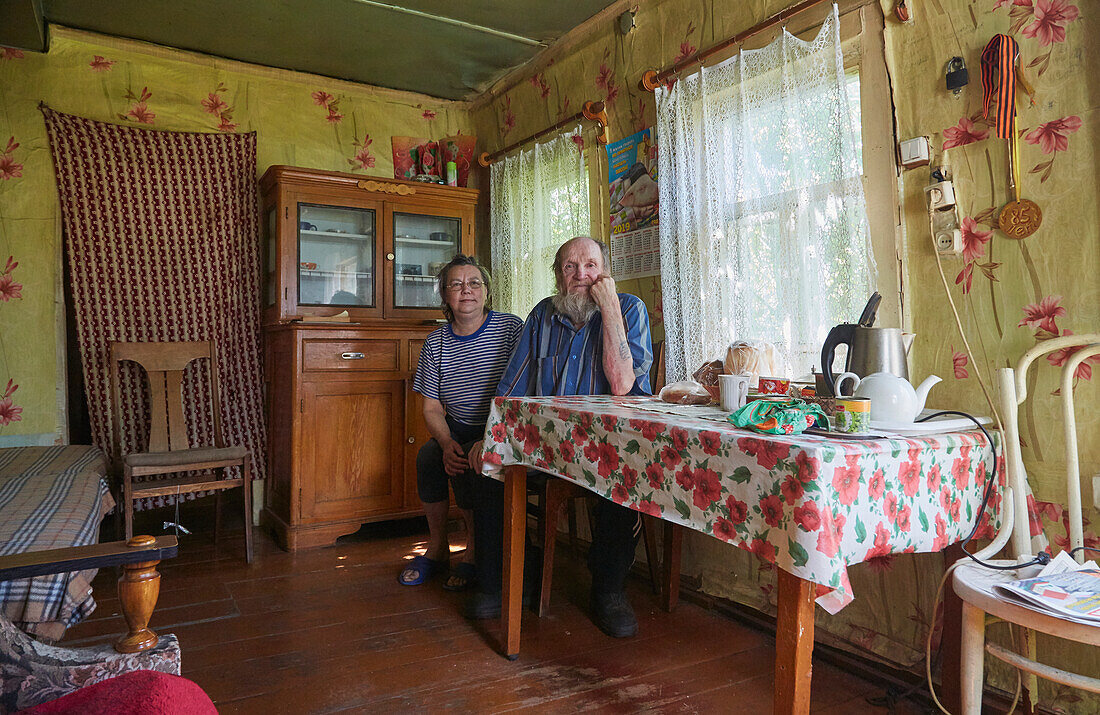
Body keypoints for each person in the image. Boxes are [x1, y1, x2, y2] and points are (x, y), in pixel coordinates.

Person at [465, 236, 653, 638]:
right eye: (569, 267)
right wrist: (490, 437)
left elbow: (622, 384)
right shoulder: (542, 316)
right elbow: (512, 384)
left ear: (605, 271)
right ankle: (507, 579)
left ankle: (609, 589)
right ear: (557, 276)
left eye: (590, 265)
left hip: (608, 449)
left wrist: (610, 308)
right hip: (545, 448)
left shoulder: (629, 309)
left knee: (622, 479)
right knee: (486, 466)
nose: (581, 275)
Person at [400, 255, 523, 591]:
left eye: (474, 283)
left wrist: (489, 436)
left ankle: (472, 550)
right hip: (456, 425)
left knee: (470, 459)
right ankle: (438, 547)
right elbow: (431, 406)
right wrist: (444, 443)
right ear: (445, 295)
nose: (466, 290)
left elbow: (521, 390)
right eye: (456, 284)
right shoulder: (436, 342)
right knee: (428, 458)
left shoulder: (510, 328)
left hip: (499, 428)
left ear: (486, 292)